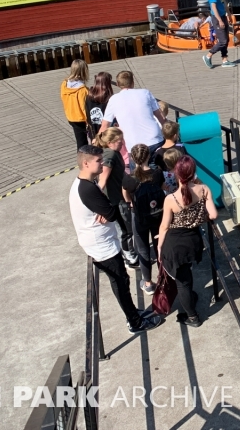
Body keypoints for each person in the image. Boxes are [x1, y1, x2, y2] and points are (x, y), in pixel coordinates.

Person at [68, 144, 161, 333]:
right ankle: (135, 322)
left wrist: (105, 209)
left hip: (101, 242)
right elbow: (111, 213)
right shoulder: (88, 190)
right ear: (85, 163)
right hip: (102, 247)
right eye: (98, 161)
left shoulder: (84, 184)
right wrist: (107, 210)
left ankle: (133, 313)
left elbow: (107, 211)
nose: (102, 164)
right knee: (121, 282)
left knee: (121, 281)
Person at [157, 156, 218, 327]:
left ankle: (193, 317)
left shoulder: (171, 199)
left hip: (174, 244)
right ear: (194, 173)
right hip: (193, 240)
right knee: (186, 275)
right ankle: (190, 298)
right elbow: (213, 215)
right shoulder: (204, 189)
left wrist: (160, 246)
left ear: (176, 174)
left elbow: (164, 227)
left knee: (181, 282)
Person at [124, 144, 166, 294]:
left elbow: (126, 194)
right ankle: (164, 276)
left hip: (140, 216)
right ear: (149, 156)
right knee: (159, 245)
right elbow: (163, 188)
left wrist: (131, 204)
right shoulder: (157, 173)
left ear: (133, 159)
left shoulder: (130, 178)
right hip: (158, 214)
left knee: (142, 249)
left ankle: (147, 282)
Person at [96, 127, 138, 267]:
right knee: (125, 230)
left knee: (125, 229)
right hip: (116, 200)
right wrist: (99, 206)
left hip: (118, 197)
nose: (122, 143)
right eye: (120, 140)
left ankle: (127, 253)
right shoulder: (110, 155)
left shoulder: (114, 153)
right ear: (110, 142)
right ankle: (129, 257)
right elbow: (102, 181)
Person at [100, 71, 166, 152]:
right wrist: (169, 133)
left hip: (133, 144)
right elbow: (161, 117)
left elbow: (105, 125)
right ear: (133, 82)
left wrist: (97, 142)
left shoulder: (113, 99)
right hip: (154, 139)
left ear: (117, 84)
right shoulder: (145, 93)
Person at [203, 0, 234, 68]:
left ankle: (224, 60)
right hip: (217, 18)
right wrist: (220, 20)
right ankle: (208, 56)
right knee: (223, 41)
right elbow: (213, 7)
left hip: (223, 16)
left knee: (226, 39)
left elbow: (224, 3)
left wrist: (229, 14)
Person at [60, 60, 90, 150]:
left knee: (80, 140)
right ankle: (82, 161)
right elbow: (84, 107)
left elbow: (63, 97)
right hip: (80, 119)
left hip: (70, 116)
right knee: (83, 143)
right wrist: (88, 121)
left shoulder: (64, 84)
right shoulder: (82, 90)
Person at [85, 72, 114, 141]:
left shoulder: (89, 96)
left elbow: (87, 113)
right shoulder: (109, 98)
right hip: (106, 133)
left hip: (93, 131)